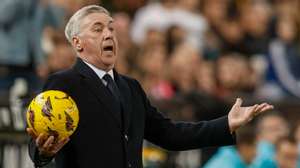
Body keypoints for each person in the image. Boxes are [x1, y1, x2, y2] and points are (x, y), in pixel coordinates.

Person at [26, 5, 273, 168]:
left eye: (111, 28)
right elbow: (40, 139)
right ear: (78, 44)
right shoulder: (63, 83)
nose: (109, 34)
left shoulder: (130, 88)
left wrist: (225, 124)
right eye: (98, 29)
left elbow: (170, 134)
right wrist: (44, 153)